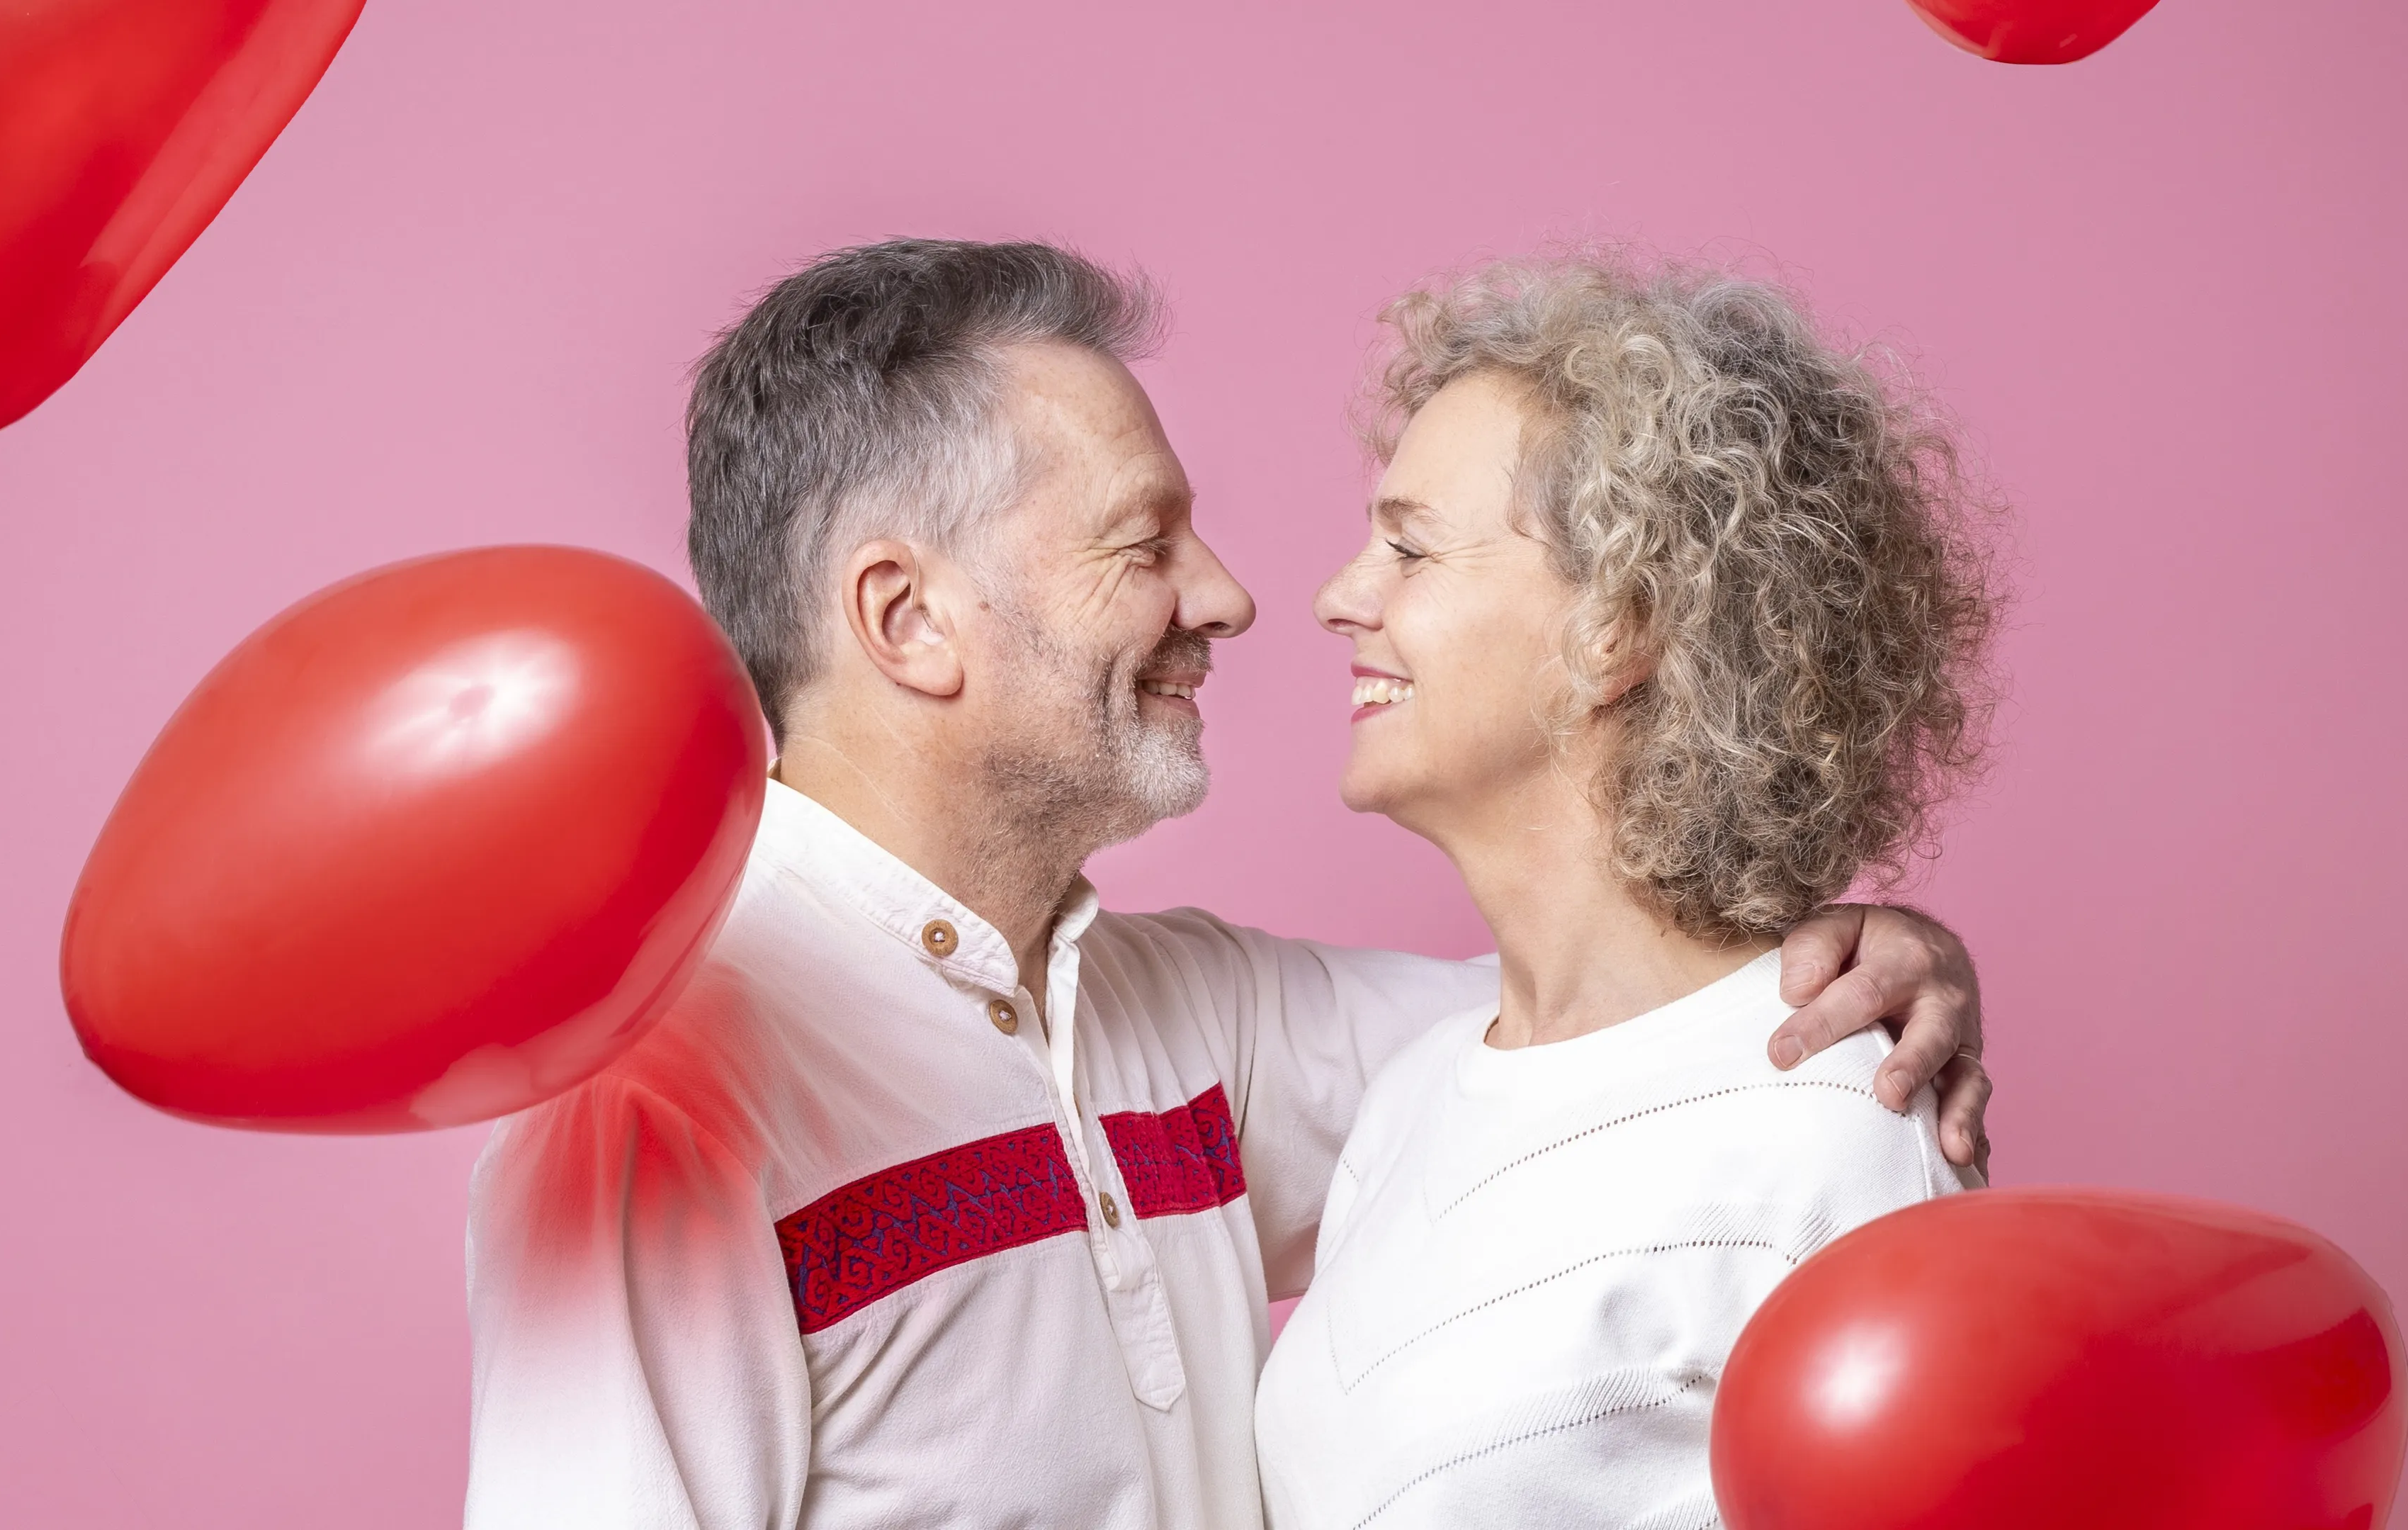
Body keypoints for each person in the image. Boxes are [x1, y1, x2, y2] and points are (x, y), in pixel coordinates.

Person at [461, 240, 1992, 1529]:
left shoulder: (1193, 1023)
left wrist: (1860, 953)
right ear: (909, 618)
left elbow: (1612, 1038)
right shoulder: (659, 1103)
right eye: (1145, 543)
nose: (1238, 596)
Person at [1253, 255, 1999, 1528]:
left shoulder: (1836, 1132)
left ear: (1620, 626)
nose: (1338, 597)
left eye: (1410, 547)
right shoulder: (1412, 1094)